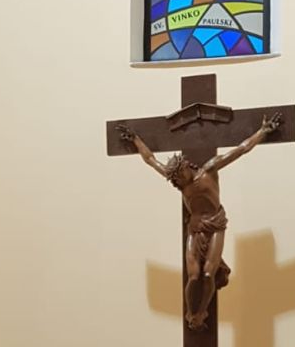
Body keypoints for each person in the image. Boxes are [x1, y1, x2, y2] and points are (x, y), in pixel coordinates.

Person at [120, 114, 281, 329]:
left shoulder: (209, 170)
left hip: (215, 223)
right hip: (195, 226)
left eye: (179, 178)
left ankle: (202, 311)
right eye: (175, 180)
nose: (178, 183)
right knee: (193, 275)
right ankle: (191, 313)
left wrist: (263, 131)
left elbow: (241, 149)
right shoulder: (178, 181)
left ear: (186, 167)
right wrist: (135, 139)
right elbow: (150, 160)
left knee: (207, 273)